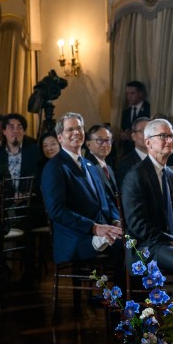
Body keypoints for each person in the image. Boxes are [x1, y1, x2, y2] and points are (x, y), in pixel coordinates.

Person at [121, 119, 173, 288]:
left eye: (172, 136)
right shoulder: (136, 176)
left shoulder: (170, 175)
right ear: (148, 142)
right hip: (146, 247)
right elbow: (139, 226)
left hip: (170, 242)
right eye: (163, 136)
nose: (170, 140)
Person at [41, 114, 122, 266]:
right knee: (130, 250)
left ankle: (123, 290)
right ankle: (121, 290)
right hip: (77, 238)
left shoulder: (89, 164)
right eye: (70, 129)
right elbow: (57, 211)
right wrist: (94, 228)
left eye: (79, 128)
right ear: (60, 137)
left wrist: (116, 221)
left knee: (136, 243)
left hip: (102, 232)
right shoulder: (54, 167)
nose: (76, 133)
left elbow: (106, 200)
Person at [0, 114, 40, 183]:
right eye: (11, 127)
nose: (15, 131)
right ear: (4, 131)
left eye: (19, 128)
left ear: (24, 132)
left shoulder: (35, 152)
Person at [85, 124, 119, 210]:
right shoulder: (86, 167)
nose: (104, 145)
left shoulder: (109, 167)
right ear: (88, 144)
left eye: (108, 140)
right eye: (99, 140)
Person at [118, 81, 151, 157]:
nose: (129, 96)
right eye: (127, 94)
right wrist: (122, 136)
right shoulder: (126, 112)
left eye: (132, 93)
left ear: (140, 94)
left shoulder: (149, 109)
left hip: (145, 150)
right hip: (129, 152)